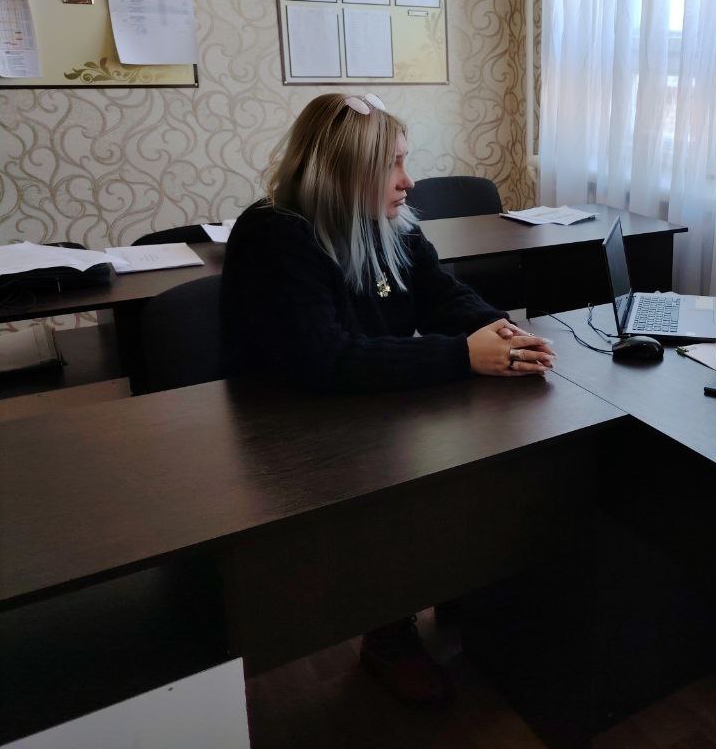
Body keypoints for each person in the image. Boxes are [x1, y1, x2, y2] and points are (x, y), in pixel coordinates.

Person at [221, 91, 555, 705]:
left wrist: (498, 329)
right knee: (403, 488)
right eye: (391, 165)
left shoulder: (389, 222)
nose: (409, 180)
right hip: (294, 426)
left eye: (405, 160)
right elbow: (324, 358)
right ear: (339, 174)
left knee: (483, 452)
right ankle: (388, 632)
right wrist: (461, 355)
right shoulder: (276, 235)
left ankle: (465, 581)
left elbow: (439, 293)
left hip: (370, 397)